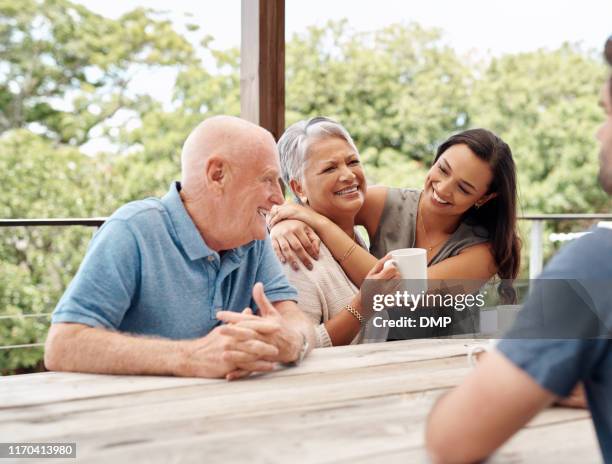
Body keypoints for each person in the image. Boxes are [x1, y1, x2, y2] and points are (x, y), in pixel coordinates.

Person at [425, 36, 612, 463]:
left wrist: (527, 374)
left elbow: (453, 439)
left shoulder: (595, 265)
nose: (600, 133)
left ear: (484, 199)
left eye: (607, 114)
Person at [44, 116, 316, 381]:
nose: (279, 198)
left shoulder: (252, 238)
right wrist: (190, 357)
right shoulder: (131, 230)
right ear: (217, 175)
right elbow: (62, 344)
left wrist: (291, 342)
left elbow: (293, 317)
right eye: (267, 179)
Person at [269, 128, 521, 306]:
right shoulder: (384, 203)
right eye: (442, 170)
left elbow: (394, 291)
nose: (443, 188)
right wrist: (285, 222)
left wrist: (319, 224)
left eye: (464, 188)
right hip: (370, 350)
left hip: (443, 361)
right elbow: (320, 199)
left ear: (484, 198)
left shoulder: (483, 253)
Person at [276, 117, 399, 348]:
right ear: (298, 187)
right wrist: (364, 304)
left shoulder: (350, 235)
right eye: (329, 168)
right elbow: (299, 347)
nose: (348, 175)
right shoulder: (296, 251)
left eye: (353, 162)